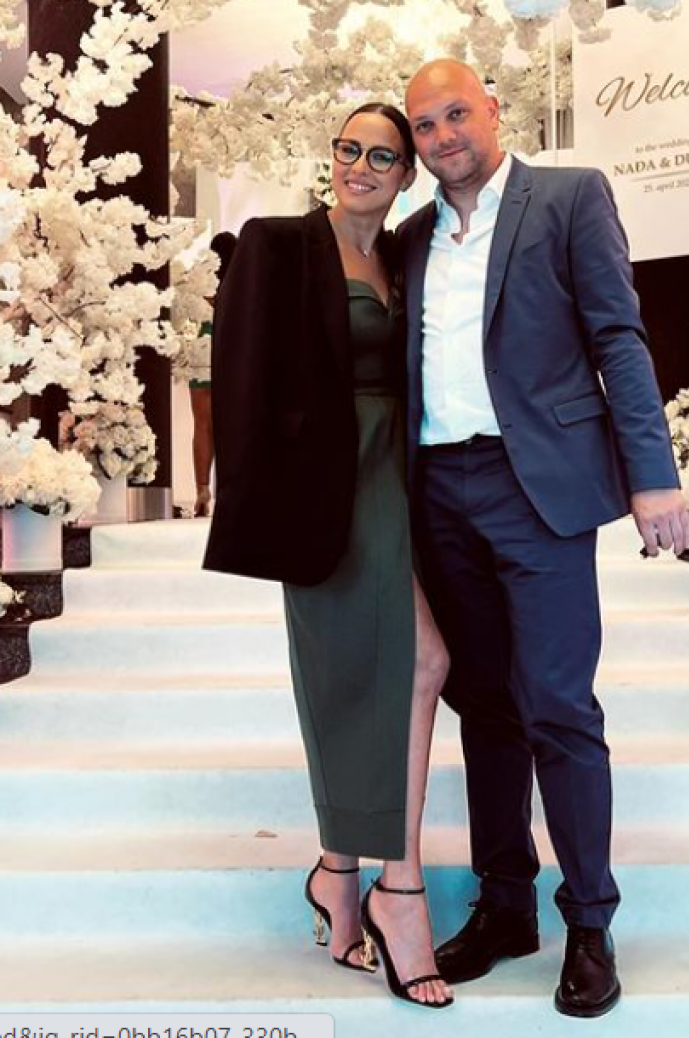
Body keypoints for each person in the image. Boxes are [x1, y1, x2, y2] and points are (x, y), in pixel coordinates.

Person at [399, 60, 689, 1019]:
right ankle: (505, 907)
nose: (443, 136)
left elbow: (618, 337)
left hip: (537, 488)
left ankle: (591, 924)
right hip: (437, 489)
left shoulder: (568, 198)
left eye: (456, 114)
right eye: (425, 124)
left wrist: (652, 472)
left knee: (558, 705)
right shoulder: (411, 237)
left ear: (494, 111)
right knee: (484, 706)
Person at [203, 102, 454, 1009]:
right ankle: (399, 888)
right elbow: (239, 378)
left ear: (407, 175)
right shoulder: (277, 243)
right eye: (349, 148)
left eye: (382, 156)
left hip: (399, 478)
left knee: (396, 667)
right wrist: (254, 508)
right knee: (397, 666)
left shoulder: (405, 256)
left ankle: (339, 875)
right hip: (323, 490)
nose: (359, 166)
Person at [189, 230, 236, 518]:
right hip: (231, 349)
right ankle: (230, 488)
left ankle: (202, 488)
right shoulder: (240, 282)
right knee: (233, 424)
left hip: (202, 349)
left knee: (202, 424)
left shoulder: (202, 284)